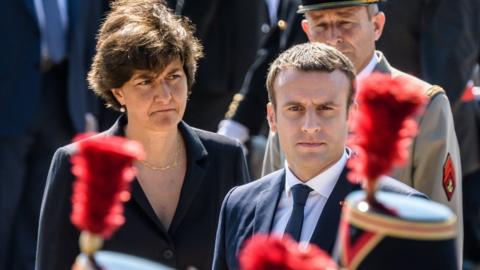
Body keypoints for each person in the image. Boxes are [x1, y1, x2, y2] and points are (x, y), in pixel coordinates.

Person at [35, 1, 250, 270]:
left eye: (173, 76)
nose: (165, 96)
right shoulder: (77, 163)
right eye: (145, 81)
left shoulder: (226, 158)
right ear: (118, 92)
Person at [260, 0, 463, 263]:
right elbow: (270, 197)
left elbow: (440, 228)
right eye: (321, 25)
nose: (334, 37)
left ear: (376, 25)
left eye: (346, 22)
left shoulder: (419, 105)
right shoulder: (292, 97)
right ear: (307, 31)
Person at [212, 42, 426, 270]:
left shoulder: (400, 211)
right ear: (272, 117)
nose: (310, 126)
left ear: (351, 114)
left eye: (325, 109)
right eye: (295, 109)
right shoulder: (239, 204)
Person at [0, 1, 109, 269]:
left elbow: (91, 39)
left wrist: (88, 110)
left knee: (39, 218)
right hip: (7, 105)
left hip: (63, 104)